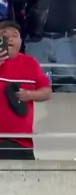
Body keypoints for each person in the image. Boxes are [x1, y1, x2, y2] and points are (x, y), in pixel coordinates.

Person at [0, 19, 52, 160]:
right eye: (4, 35)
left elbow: (47, 92)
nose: (10, 39)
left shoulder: (30, 63)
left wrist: (29, 95)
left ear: (21, 41)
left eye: (14, 35)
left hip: (21, 142)